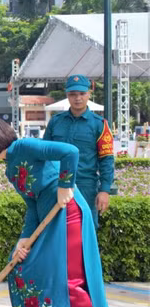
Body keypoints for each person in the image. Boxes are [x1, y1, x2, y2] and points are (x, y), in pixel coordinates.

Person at [0, 114, 126, 307]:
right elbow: (32, 205)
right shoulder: (10, 168)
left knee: (68, 281)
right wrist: (24, 239)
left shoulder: (24, 147)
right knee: (21, 268)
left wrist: (65, 185)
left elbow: (70, 152)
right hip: (49, 220)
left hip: (69, 214)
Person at [43, 75, 114, 227]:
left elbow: (106, 159)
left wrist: (105, 190)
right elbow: (44, 155)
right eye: (73, 94)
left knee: (85, 233)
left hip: (86, 187)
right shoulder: (56, 122)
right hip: (56, 186)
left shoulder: (100, 125)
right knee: (56, 232)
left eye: (82, 94)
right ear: (67, 95)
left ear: (89, 94)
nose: (78, 98)